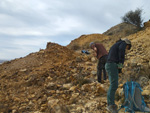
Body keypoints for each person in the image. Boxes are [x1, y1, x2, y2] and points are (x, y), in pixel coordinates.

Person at [105, 38, 132, 113]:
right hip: (112, 65)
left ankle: (110, 103)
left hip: (109, 65)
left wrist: (119, 69)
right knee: (114, 85)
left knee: (113, 85)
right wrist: (121, 62)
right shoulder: (122, 43)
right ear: (127, 44)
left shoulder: (116, 45)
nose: (126, 49)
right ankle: (110, 105)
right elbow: (121, 51)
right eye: (127, 47)